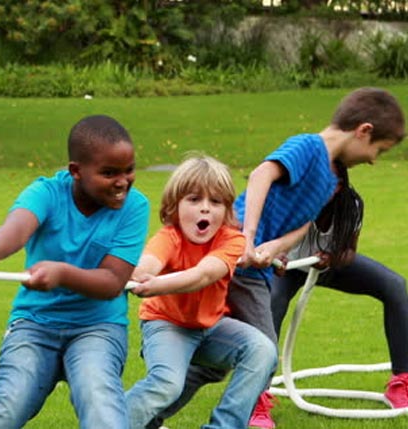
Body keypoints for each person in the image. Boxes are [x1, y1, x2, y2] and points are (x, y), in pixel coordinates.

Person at [149, 87, 404, 429]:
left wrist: (275, 249)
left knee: (216, 361)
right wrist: (250, 238)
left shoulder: (331, 178)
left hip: (256, 268)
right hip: (234, 255)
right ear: (364, 131)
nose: (374, 159)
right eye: (378, 150)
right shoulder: (308, 147)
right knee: (260, 352)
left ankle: (147, 415)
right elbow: (260, 176)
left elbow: (302, 225)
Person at [0, 115, 150, 429]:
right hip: (34, 323)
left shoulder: (134, 207)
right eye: (109, 173)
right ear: (75, 171)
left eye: (128, 170)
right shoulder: (46, 193)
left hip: (98, 327)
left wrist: (62, 273)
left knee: (100, 401)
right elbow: (17, 228)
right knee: (9, 402)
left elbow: (113, 282)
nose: (122, 182)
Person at [124, 155, 277, 429]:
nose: (205, 209)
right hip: (166, 325)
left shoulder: (232, 240)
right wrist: (131, 274)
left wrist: (156, 285)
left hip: (211, 327)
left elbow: (204, 274)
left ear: (227, 210)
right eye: (194, 200)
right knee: (167, 383)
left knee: (262, 350)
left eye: (215, 202)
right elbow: (148, 264)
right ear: (175, 206)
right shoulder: (169, 237)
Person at [269, 159, 408, 409]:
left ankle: (401, 380)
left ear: (338, 186)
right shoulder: (289, 201)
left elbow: (349, 251)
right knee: (272, 301)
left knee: (395, 286)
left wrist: (332, 259)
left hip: (330, 263)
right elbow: (265, 239)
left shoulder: (350, 204)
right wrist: (274, 257)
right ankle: (257, 395)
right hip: (287, 269)